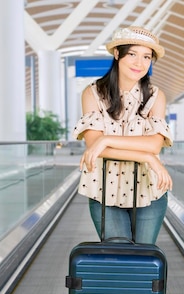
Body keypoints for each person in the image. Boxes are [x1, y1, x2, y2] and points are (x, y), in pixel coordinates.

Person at [72, 26, 173, 245]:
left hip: (149, 191)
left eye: (147, 57)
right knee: (118, 256)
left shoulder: (156, 96)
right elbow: (94, 147)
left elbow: (154, 145)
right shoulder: (93, 93)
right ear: (117, 54)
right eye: (132, 54)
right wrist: (146, 158)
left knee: (144, 262)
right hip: (104, 191)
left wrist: (106, 139)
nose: (140, 63)